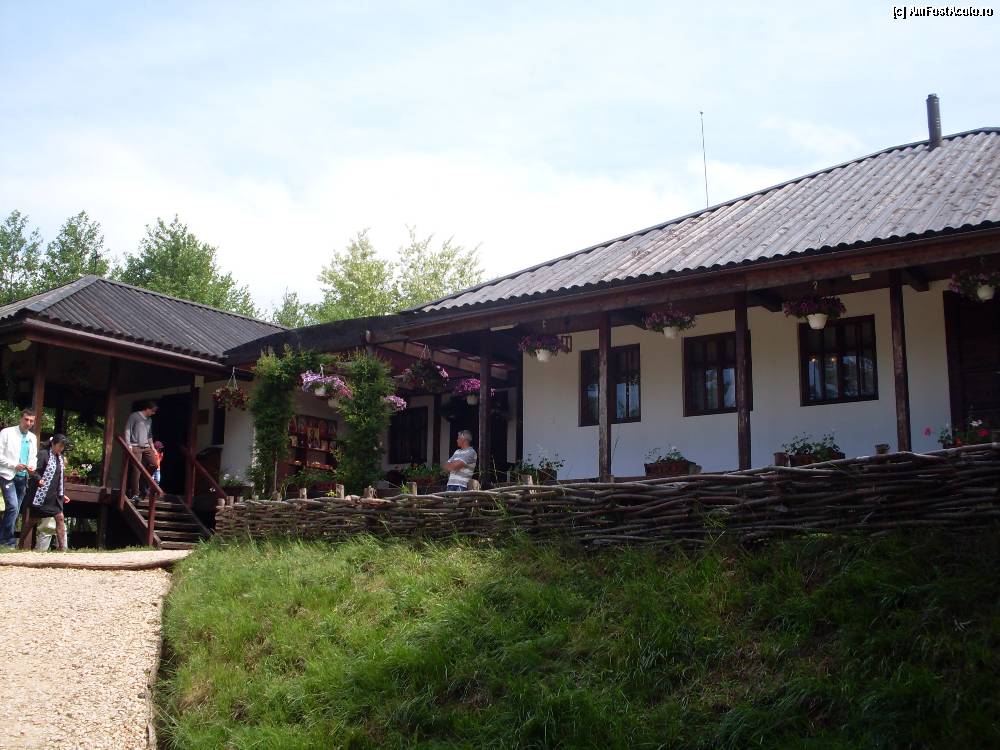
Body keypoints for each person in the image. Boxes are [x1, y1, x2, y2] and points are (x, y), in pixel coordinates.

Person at [19, 434, 71, 551]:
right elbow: (34, 471)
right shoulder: (43, 454)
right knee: (32, 520)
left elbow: (59, 478)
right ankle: (21, 543)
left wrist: (63, 494)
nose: (61, 449)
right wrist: (39, 479)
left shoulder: (60, 458)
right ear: (53, 444)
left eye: (63, 447)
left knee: (60, 517)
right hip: (41, 494)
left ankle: (62, 548)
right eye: (59, 446)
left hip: (54, 496)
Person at [0, 408, 38, 548]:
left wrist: (32, 467)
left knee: (15, 510)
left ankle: (3, 539)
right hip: (7, 475)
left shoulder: (32, 437)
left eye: (31, 421)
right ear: (20, 418)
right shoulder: (7, 432)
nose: (28, 423)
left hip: (23, 477)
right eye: (26, 419)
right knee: (12, 507)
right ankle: (8, 541)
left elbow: (33, 457)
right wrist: (14, 465)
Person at [123, 400, 158, 501]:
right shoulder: (134, 416)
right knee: (136, 470)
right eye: (152, 411)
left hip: (146, 446)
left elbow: (149, 434)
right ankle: (135, 494)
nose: (153, 413)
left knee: (154, 464)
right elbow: (128, 429)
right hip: (135, 446)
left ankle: (143, 481)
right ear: (147, 409)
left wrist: (153, 448)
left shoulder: (149, 420)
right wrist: (128, 444)